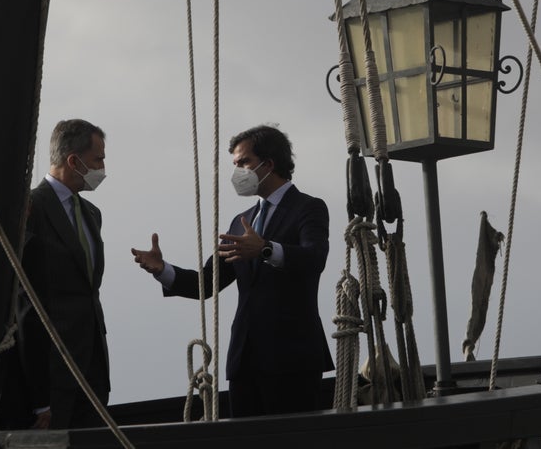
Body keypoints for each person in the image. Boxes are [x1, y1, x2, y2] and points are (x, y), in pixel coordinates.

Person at [131, 124, 334, 417]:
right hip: (245, 360)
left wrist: (265, 248)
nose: (237, 171)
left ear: (269, 164)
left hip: (292, 358)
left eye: (243, 162)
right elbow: (207, 282)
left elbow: (315, 258)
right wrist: (163, 270)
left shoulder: (308, 208)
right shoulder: (242, 221)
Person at [16, 118, 110, 429]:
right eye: (98, 158)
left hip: (92, 370)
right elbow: (25, 302)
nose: (103, 166)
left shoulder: (92, 214)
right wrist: (38, 396)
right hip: (53, 370)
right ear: (74, 160)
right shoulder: (29, 208)